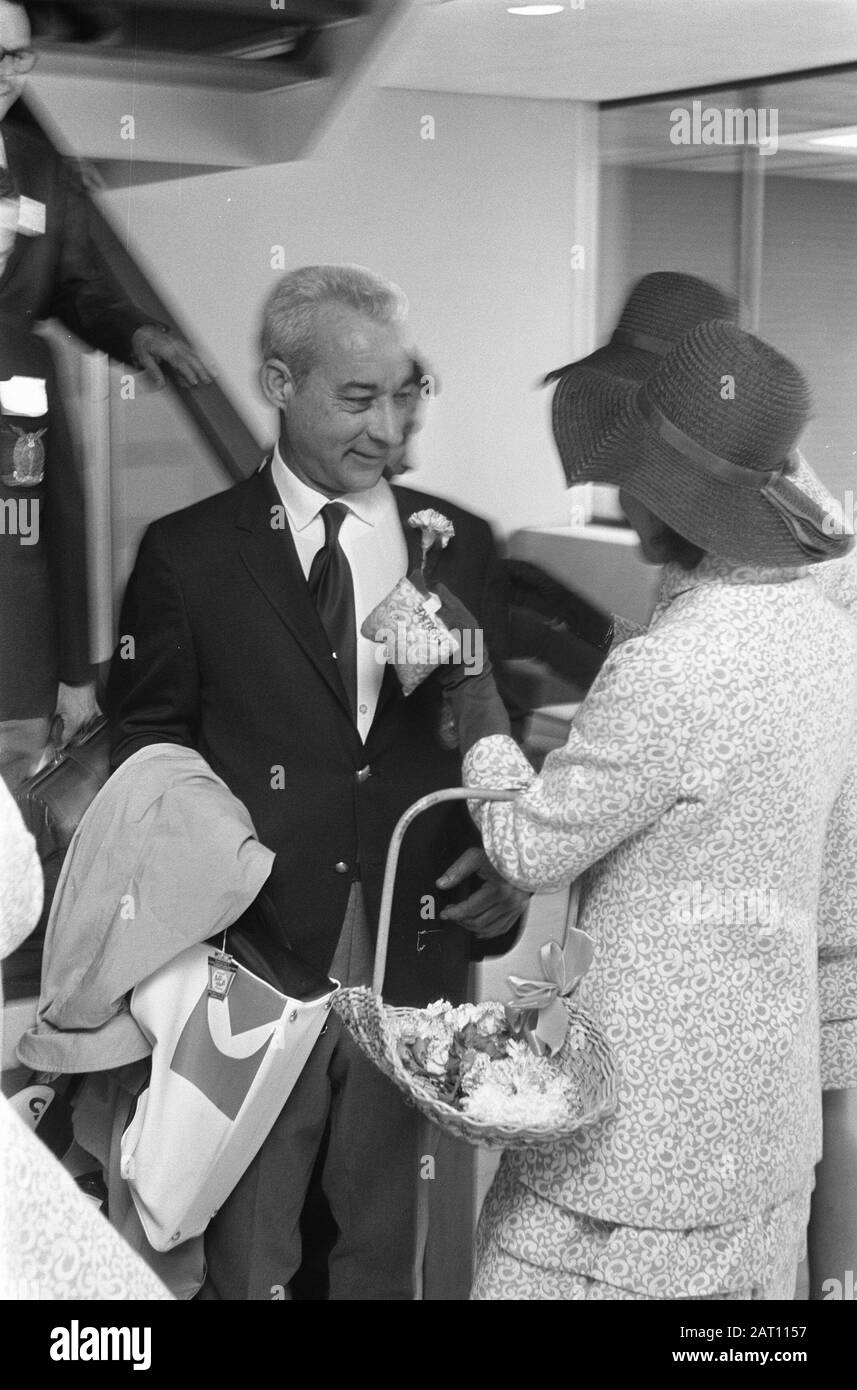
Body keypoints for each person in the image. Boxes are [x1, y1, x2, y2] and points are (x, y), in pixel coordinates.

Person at [104, 263, 528, 1301]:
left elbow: (479, 735)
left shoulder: (461, 544)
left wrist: (506, 860)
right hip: (249, 954)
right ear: (278, 382)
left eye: (406, 392)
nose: (389, 426)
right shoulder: (187, 556)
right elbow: (146, 751)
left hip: (412, 948)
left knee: (388, 1242)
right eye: (357, 398)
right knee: (248, 1246)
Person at [435, 319, 856, 1299]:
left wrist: (471, 692)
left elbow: (526, 845)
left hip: (625, 1152)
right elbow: (837, 898)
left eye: (638, 477)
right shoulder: (828, 640)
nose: (622, 497)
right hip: (762, 1141)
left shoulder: (673, 667)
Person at [0, 0, 208, 789]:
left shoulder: (40, 169)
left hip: (12, 644)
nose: (7, 75)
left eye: (20, 57)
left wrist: (136, 335)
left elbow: (83, 285)